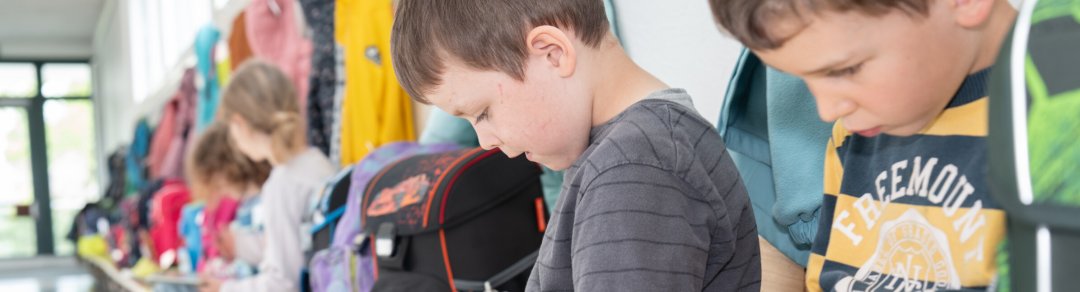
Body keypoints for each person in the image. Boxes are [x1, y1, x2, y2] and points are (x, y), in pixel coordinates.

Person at [390, 0, 761, 290]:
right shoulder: (622, 155)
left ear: (552, 53)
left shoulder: (634, 173)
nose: (485, 141)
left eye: (483, 113)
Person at [706, 0, 1017, 290]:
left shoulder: (1046, 135)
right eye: (804, 79)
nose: (827, 110)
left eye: (844, 70)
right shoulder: (854, 135)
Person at [199, 59, 336, 292]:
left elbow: (282, 283)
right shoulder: (319, 162)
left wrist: (225, 289)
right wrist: (242, 245)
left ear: (239, 123)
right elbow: (299, 248)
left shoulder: (282, 183)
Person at [184, 122, 270, 278]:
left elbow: (274, 265)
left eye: (219, 186)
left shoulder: (266, 197)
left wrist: (237, 247)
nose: (222, 193)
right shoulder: (246, 204)